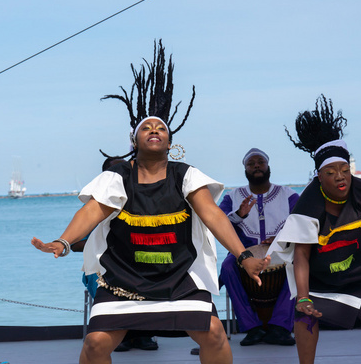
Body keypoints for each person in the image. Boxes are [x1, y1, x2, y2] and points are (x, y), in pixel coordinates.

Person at [32, 40, 269, 364]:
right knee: (95, 345)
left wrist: (242, 257)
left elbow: (213, 215)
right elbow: (91, 211)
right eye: (147, 127)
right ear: (135, 140)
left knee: (214, 333)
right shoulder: (118, 176)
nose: (154, 129)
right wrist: (63, 241)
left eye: (160, 127)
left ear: (170, 141)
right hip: (123, 277)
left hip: (181, 276)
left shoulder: (185, 175)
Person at [268, 95, 361, 364]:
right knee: (304, 314)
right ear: (319, 176)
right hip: (323, 283)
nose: (340, 176)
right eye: (331, 172)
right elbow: (301, 256)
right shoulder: (308, 204)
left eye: (344, 169)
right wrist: (302, 297)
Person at [72, 157, 159, 352]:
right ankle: (118, 334)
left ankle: (142, 333)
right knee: (103, 282)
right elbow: (76, 243)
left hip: (136, 263)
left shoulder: (142, 204)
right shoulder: (95, 208)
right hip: (101, 267)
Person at [219, 148, 299, 346]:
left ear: (267, 166)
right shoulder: (233, 196)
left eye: (260, 162)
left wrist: (280, 238)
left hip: (281, 249)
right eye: (251, 163)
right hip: (243, 251)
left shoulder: (287, 195)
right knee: (228, 267)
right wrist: (239, 214)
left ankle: (280, 327)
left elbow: (302, 222)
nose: (256, 165)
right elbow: (219, 222)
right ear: (245, 169)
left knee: (297, 264)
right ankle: (251, 327)